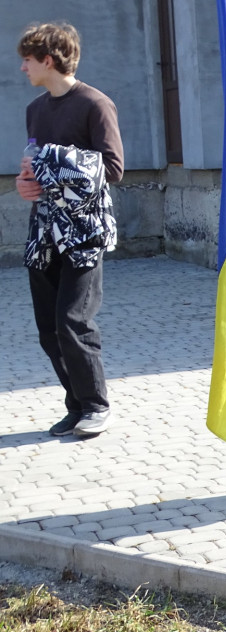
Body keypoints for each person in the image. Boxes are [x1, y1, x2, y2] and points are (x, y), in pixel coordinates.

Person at [15, 22, 124, 438]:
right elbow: (32, 165)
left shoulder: (96, 104)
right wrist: (24, 185)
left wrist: (51, 163)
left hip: (84, 233)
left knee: (73, 322)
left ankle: (96, 405)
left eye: (28, 59)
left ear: (48, 60)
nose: (23, 67)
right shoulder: (35, 109)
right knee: (48, 328)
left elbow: (112, 168)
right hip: (43, 232)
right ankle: (76, 405)